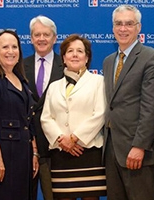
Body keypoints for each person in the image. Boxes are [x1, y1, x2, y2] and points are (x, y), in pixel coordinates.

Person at [102, 4, 154, 200]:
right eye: (118, 24)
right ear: (112, 28)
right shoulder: (108, 61)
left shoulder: (151, 57)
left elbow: (151, 106)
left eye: (129, 24)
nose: (123, 28)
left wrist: (139, 146)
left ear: (139, 27)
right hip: (112, 149)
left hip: (138, 152)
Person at [41, 34, 107, 200]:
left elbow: (100, 114)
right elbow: (46, 118)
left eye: (80, 51)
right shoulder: (54, 86)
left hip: (89, 151)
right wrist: (62, 141)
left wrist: (75, 138)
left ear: (87, 58)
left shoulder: (99, 82)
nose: (75, 55)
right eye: (70, 51)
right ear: (63, 57)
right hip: (61, 153)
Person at [0, 29, 39, 200]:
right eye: (5, 47)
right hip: (0, 155)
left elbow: (28, 120)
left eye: (14, 47)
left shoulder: (21, 79)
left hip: (22, 155)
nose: (10, 51)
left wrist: (34, 153)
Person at [23, 15, 64, 200]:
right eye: (36, 34)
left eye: (46, 34)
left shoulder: (66, 65)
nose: (41, 39)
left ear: (55, 38)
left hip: (57, 148)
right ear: (31, 38)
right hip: (25, 147)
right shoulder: (18, 66)